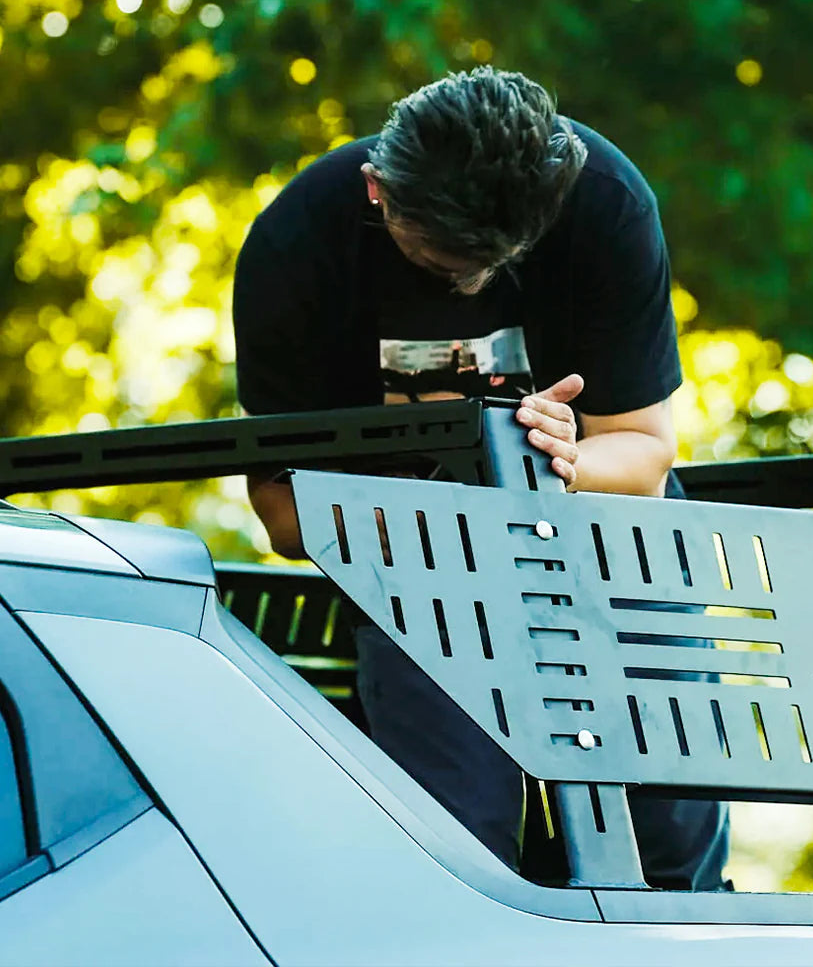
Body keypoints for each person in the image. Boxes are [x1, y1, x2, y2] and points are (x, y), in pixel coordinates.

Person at [233, 66, 728, 889]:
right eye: (447, 262)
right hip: (421, 574)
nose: (475, 284)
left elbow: (642, 454)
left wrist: (561, 464)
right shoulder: (299, 243)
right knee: (461, 848)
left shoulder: (604, 202)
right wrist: (457, 503)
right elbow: (285, 514)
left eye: (501, 261)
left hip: (608, 550)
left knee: (669, 851)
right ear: (377, 190)